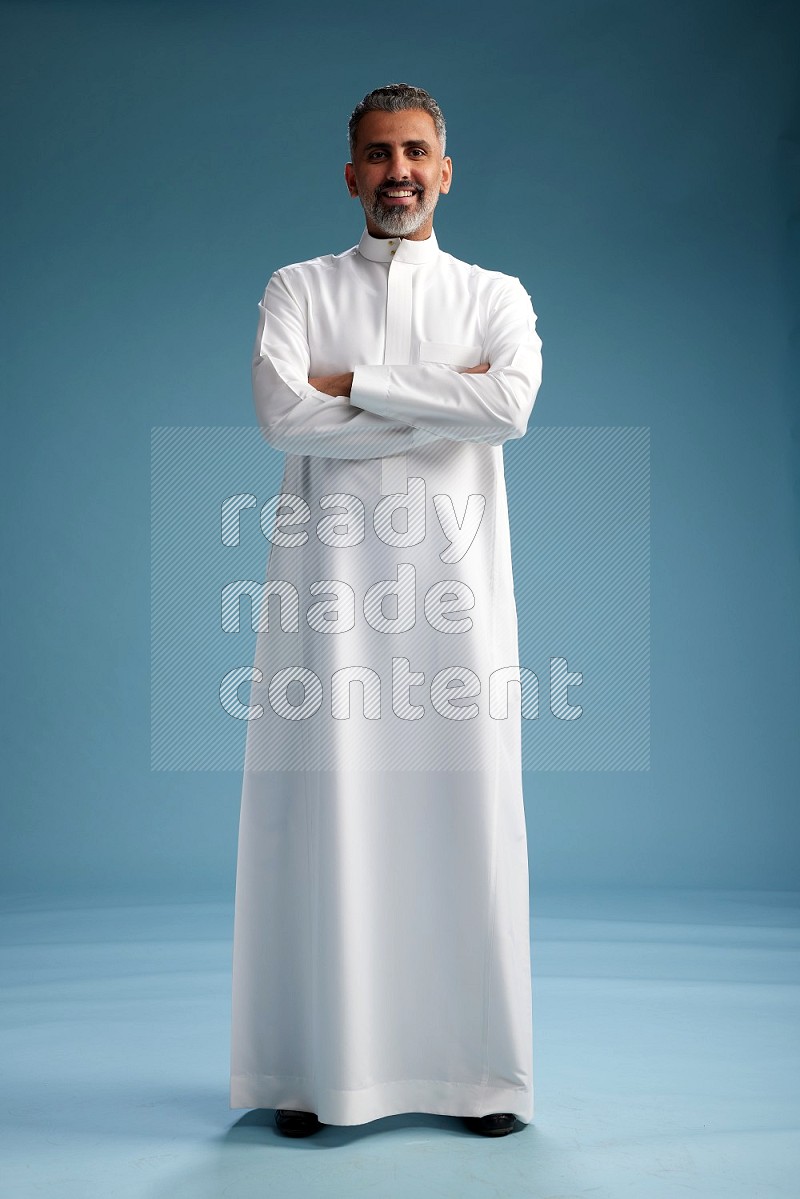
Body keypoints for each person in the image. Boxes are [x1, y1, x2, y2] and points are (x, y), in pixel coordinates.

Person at [230, 82, 543, 1139]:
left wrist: (353, 382)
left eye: (415, 151)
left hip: (454, 615)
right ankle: (320, 1072)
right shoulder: (297, 285)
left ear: (444, 170)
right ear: (350, 172)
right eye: (377, 153)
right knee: (332, 820)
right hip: (332, 612)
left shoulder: (495, 294)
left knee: (465, 821)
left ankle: (479, 1078)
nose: (397, 170)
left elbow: (508, 405)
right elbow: (284, 415)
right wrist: (430, 390)